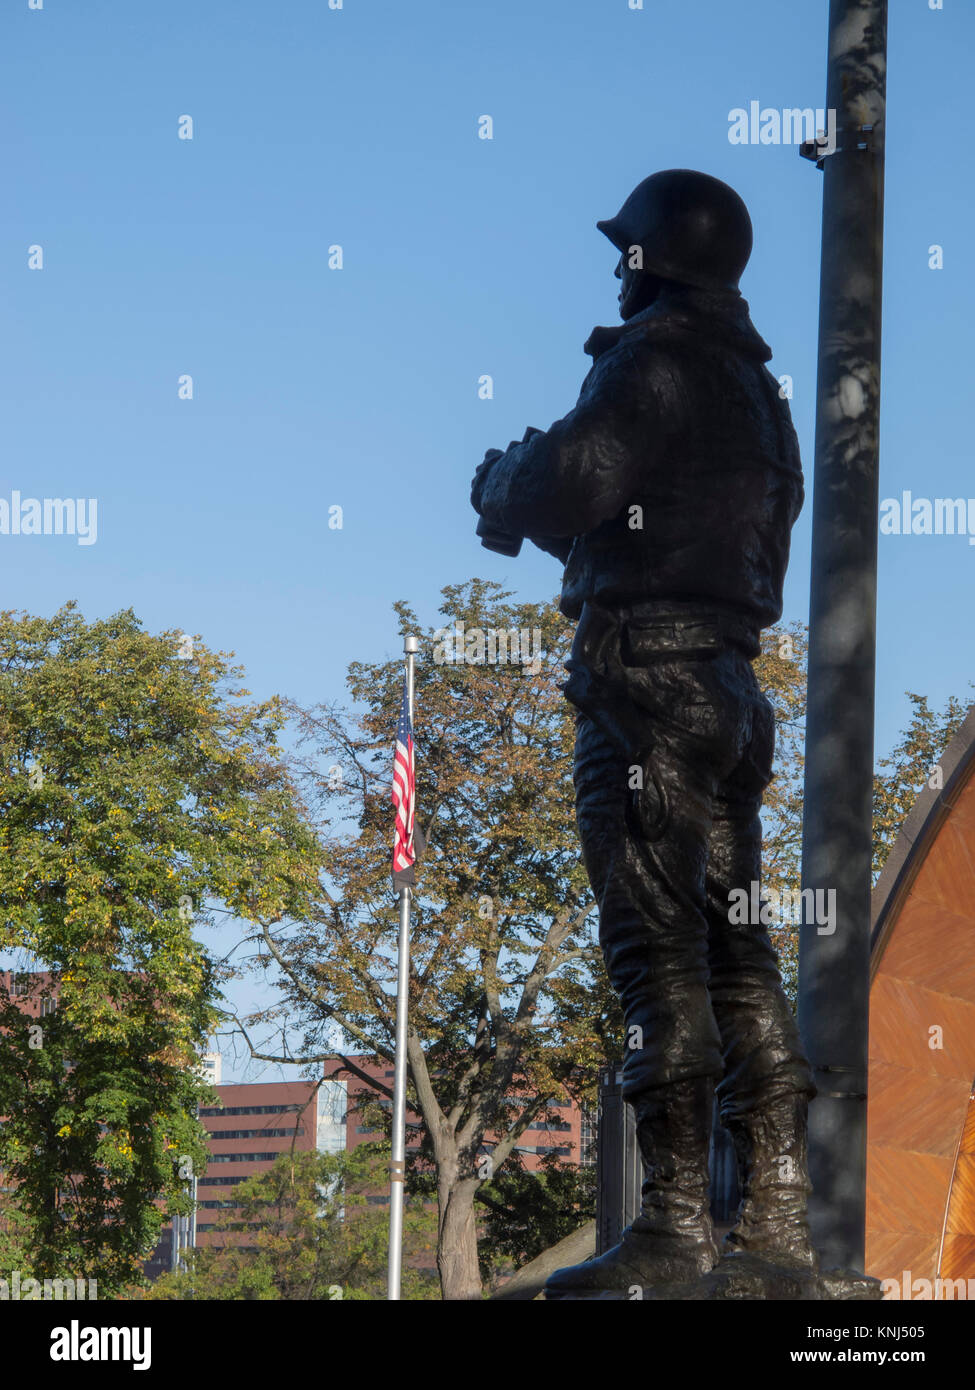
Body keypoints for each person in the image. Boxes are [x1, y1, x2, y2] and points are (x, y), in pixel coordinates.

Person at [470, 170, 816, 1292]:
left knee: (656, 958)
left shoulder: (655, 359)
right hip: (731, 693)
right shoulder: (762, 397)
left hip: (643, 690)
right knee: (740, 957)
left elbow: (572, 478)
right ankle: (773, 1231)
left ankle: (671, 1230)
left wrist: (501, 483)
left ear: (649, 258)